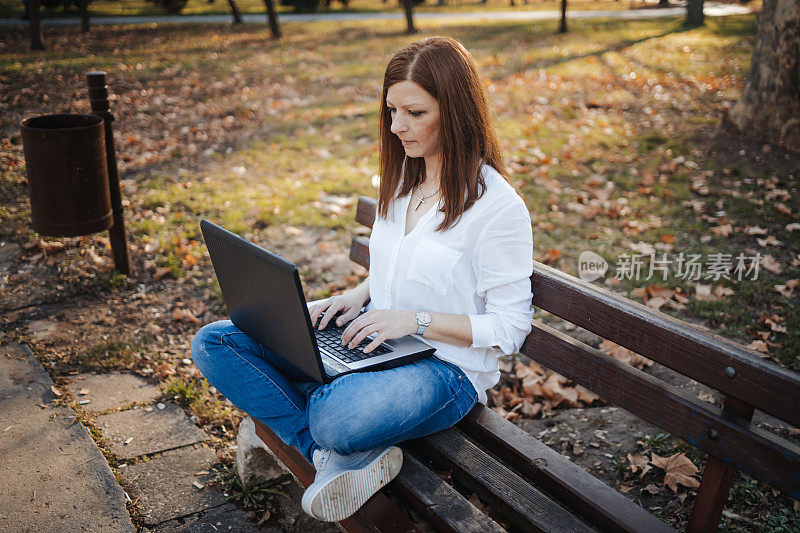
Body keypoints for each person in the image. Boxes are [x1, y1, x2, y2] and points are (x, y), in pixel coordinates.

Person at [191, 35, 534, 523]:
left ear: (455, 112)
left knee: (335, 414)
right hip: (373, 339)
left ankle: (331, 433)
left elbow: (510, 329)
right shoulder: (401, 181)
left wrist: (413, 319)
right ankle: (334, 456)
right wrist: (356, 296)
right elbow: (395, 266)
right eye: (392, 111)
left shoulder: (497, 208)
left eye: (415, 113)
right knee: (216, 343)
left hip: (445, 371)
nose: (397, 127)